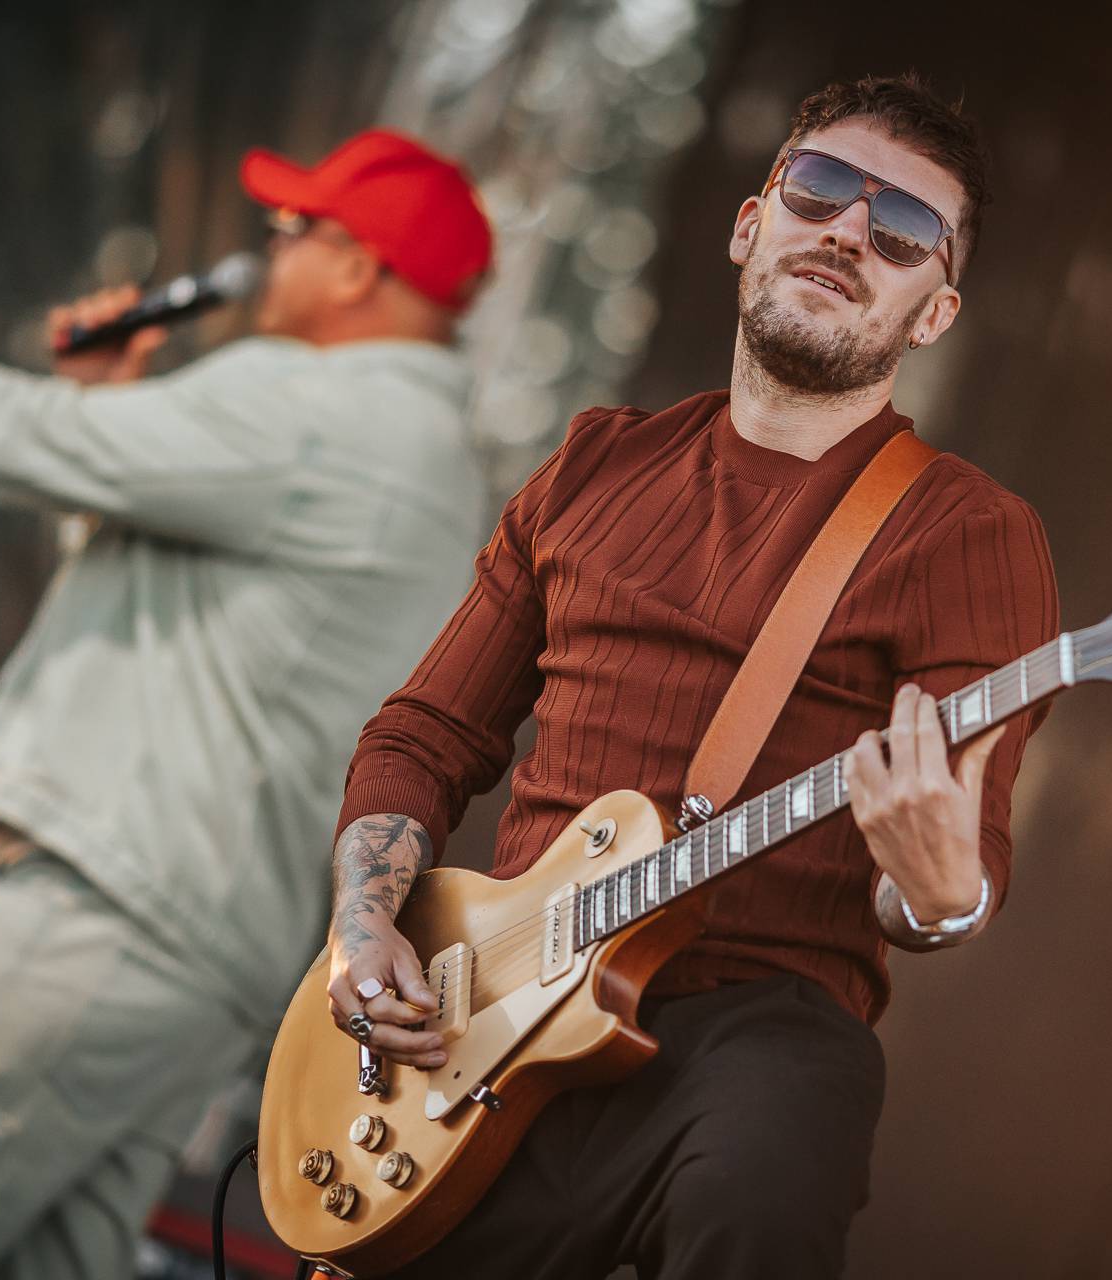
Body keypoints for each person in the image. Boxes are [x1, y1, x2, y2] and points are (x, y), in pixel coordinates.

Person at [323, 73, 1060, 1277]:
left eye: (902, 230)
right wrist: (364, 927)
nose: (848, 232)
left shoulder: (966, 533)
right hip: (501, 1006)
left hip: (757, 1025)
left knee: (767, 1183)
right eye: (821, 189)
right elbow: (424, 735)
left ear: (933, 314)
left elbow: (955, 868)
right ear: (750, 224)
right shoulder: (594, 464)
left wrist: (936, 892)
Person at [0, 128, 494, 1279]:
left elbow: (50, 443)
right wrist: (112, 408)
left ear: (357, 266)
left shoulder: (327, 403)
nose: (268, 249)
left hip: (107, 920)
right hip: (193, 956)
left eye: (292, 229)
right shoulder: (425, 455)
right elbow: (181, 582)